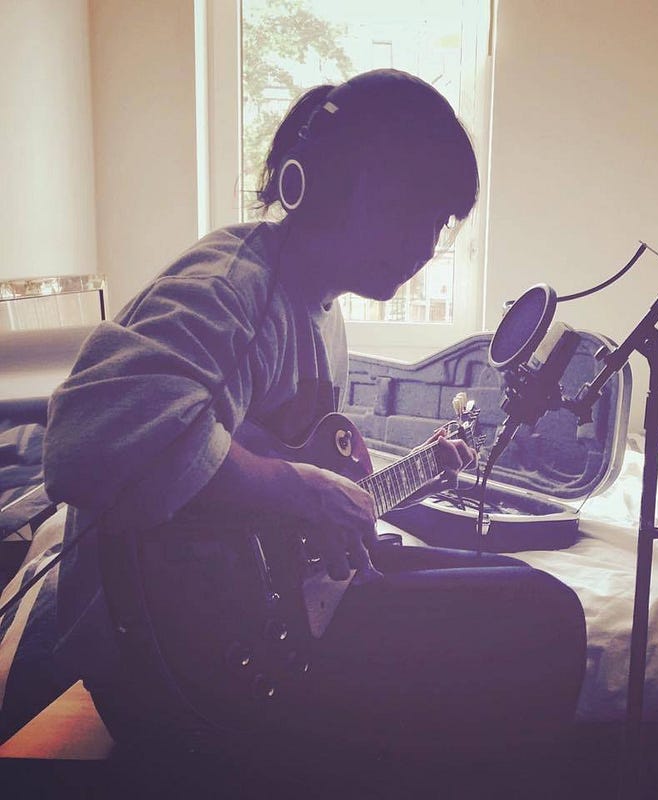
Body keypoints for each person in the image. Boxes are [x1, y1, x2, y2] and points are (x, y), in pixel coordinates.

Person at [43, 69, 586, 789]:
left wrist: (338, 489)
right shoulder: (229, 286)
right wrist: (298, 489)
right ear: (327, 186)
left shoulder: (323, 310)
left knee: (525, 587)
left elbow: (286, 466)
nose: (428, 243)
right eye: (415, 210)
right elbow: (87, 442)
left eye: (442, 223)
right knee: (542, 619)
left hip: (270, 618)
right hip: (171, 673)